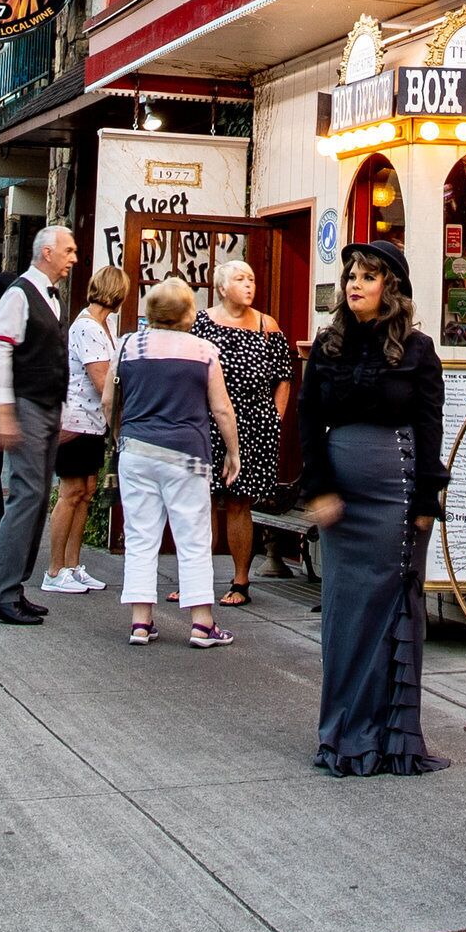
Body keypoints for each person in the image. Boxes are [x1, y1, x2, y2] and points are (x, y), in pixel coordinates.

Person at [296, 241, 449, 776]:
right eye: (351, 276)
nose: (354, 284)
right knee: (343, 613)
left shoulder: (417, 349)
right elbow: (307, 419)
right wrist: (318, 488)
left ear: (391, 288)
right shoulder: (328, 344)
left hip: (395, 496)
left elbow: (430, 427)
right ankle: (341, 732)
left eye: (367, 276)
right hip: (341, 498)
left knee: (386, 610)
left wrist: (427, 499)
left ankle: (384, 738)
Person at [111, 277, 239, 646]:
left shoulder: (127, 346)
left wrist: (120, 438)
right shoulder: (203, 351)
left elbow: (108, 401)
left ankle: (140, 621)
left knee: (140, 536)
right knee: (194, 537)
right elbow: (221, 409)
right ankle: (201, 624)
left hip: (136, 449)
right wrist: (233, 452)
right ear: (187, 314)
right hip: (187, 453)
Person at [0, 226, 80, 624]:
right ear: (47, 252)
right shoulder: (20, 293)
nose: (73, 258)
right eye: (68, 251)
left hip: (47, 406)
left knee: (36, 497)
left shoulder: (51, 297)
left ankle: (13, 588)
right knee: (27, 494)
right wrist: (3, 410)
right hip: (26, 405)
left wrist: (63, 411)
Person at [200, 258, 299, 606]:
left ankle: (240, 580)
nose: (249, 285)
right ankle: (197, 579)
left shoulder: (265, 325)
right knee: (203, 500)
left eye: (252, 279)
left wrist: (275, 418)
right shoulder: (202, 323)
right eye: (240, 279)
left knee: (239, 502)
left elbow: (284, 376)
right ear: (222, 287)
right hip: (208, 422)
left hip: (254, 425)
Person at [37, 266, 131, 594]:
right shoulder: (87, 327)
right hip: (75, 421)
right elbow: (103, 380)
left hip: (93, 422)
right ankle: (54, 569)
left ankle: (73, 565)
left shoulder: (105, 325)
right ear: (117, 293)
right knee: (71, 492)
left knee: (86, 491)